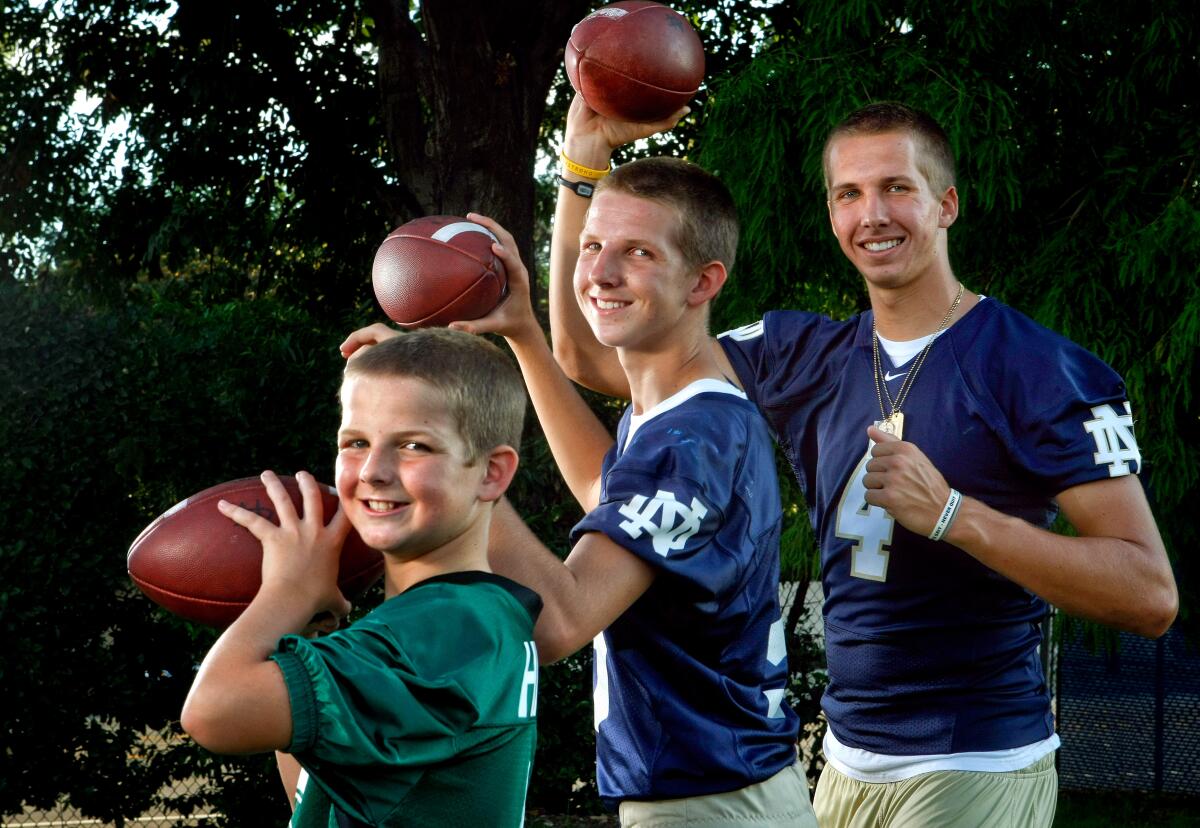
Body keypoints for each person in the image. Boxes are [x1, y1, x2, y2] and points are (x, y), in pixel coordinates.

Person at [543, 97, 1179, 827]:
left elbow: (1149, 594)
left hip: (972, 756)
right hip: (843, 760)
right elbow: (593, 354)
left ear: (946, 205)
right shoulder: (803, 353)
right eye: (849, 194)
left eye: (896, 189)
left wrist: (956, 516)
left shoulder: (1036, 367)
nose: (871, 214)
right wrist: (583, 164)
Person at [342, 159, 817, 826]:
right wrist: (524, 334)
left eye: (639, 253)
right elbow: (609, 493)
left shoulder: (690, 443)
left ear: (703, 282)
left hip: (710, 803)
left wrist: (450, 443)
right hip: (725, 790)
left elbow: (561, 621)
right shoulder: (676, 415)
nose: (600, 272)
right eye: (593, 246)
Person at [180, 329, 542, 827]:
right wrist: (306, 630)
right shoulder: (474, 615)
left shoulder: (443, 633)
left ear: (491, 473)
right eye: (355, 442)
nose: (373, 470)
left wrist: (286, 593)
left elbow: (213, 712)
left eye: (414, 445)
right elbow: (316, 794)